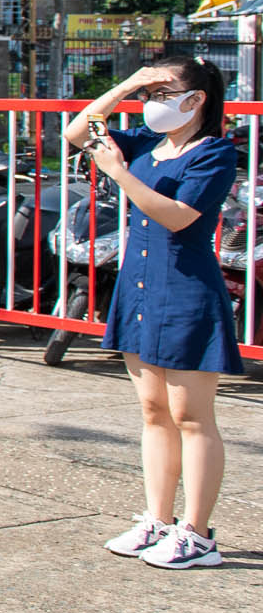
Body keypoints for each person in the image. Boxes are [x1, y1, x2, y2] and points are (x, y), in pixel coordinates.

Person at [69, 54, 242, 570]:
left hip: (186, 291)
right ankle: (157, 519)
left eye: (161, 94)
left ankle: (198, 532)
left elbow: (177, 216)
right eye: (148, 95)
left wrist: (118, 174)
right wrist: (127, 83)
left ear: (196, 101)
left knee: (191, 415)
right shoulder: (149, 145)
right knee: (153, 411)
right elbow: (81, 131)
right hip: (142, 288)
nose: (150, 104)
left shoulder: (213, 154)